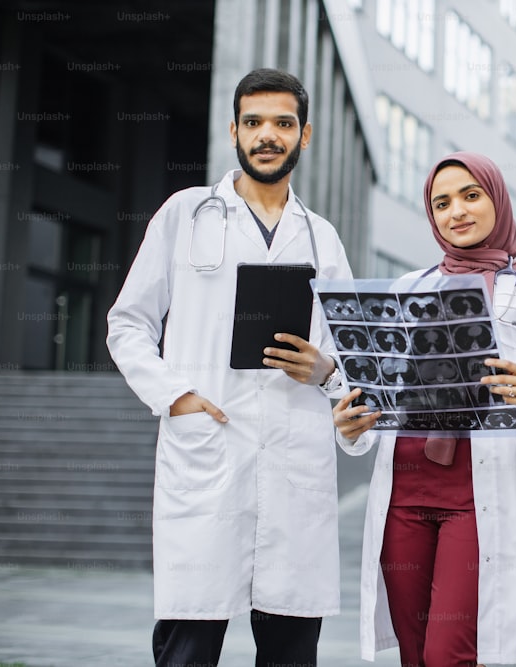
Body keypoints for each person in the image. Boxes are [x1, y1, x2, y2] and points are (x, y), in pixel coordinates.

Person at [107, 68, 352, 667]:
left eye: (283, 123)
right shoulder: (186, 215)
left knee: (292, 648)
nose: (267, 135)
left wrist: (324, 370)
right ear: (234, 131)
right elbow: (128, 324)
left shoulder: (322, 239)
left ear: (305, 134)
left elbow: (353, 359)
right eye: (254, 122)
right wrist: (176, 394)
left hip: (294, 464)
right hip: (208, 451)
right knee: (188, 647)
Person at [333, 151, 516, 666]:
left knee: (451, 655)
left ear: (498, 199)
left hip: (476, 495)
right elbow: (379, 398)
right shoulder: (407, 290)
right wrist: (351, 425)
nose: (456, 212)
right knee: (415, 654)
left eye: (471, 195)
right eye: (441, 203)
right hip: (403, 492)